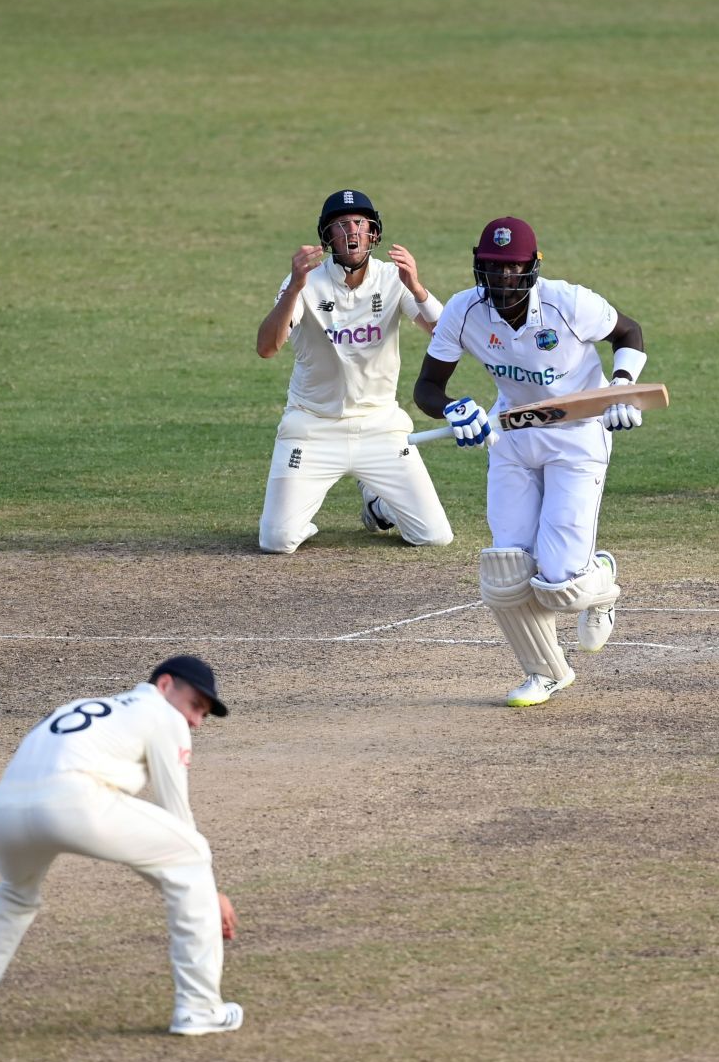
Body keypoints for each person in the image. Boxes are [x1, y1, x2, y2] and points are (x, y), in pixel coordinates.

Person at [0, 655, 243, 1040]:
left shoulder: (82, 707)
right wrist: (209, 891)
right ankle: (198, 1008)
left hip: (3, 810)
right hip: (72, 800)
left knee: (15, 896)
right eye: (195, 706)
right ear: (164, 685)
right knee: (191, 854)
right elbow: (177, 814)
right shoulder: (162, 713)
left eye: (203, 715)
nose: (194, 720)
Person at [413, 217, 648, 707]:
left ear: (532, 267)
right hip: (513, 437)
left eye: (513, 267)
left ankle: (600, 582)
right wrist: (454, 409)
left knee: (560, 581)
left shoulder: (569, 303)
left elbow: (629, 331)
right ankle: (545, 671)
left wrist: (622, 386)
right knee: (507, 570)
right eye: (493, 268)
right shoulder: (463, 310)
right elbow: (427, 388)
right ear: (480, 267)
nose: (503, 279)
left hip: (577, 436)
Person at [255, 189, 452, 553]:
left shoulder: (393, 278)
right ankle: (310, 508)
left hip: (380, 427)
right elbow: (267, 348)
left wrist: (418, 289)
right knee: (277, 540)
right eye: (342, 225)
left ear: (374, 232)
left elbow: (445, 337)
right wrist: (294, 288)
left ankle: (376, 503)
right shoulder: (305, 282)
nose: (352, 232)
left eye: (360, 224)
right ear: (327, 236)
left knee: (434, 536)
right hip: (312, 427)